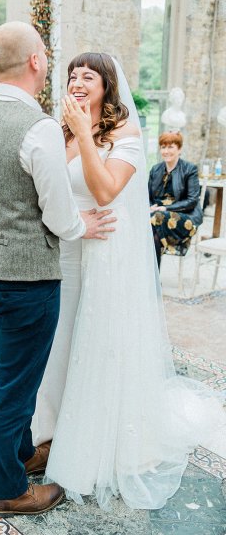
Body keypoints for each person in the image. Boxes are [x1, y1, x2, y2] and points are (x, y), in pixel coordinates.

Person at [32, 53, 226, 511]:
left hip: (105, 257)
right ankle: (52, 431)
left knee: (99, 345)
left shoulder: (126, 136)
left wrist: (83, 132)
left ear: (107, 87)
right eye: (72, 75)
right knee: (61, 347)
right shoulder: (58, 132)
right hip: (64, 253)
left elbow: (104, 191)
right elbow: (48, 189)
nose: (77, 82)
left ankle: (97, 438)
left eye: (88, 76)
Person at [0, 22, 116, 518]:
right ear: (36, 62)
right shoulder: (38, 127)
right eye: (46, 54)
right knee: (14, 386)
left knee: (16, 374)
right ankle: (7, 489)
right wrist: (83, 225)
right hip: (27, 279)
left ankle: (23, 454)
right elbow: (56, 211)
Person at [149, 132, 203, 269]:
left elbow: (192, 201)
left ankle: (152, 282)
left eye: (170, 147)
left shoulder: (190, 169)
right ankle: (153, 282)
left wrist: (166, 208)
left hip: (185, 218)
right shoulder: (155, 170)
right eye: (163, 147)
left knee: (155, 219)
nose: (166, 151)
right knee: (151, 232)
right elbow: (148, 198)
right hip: (156, 218)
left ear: (179, 149)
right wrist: (150, 207)